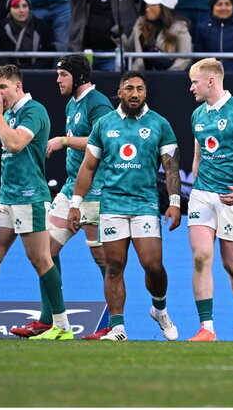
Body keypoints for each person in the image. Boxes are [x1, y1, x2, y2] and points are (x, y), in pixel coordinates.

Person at [0, 65, 73, 340]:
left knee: (41, 259)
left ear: (18, 86)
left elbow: (16, 144)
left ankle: (63, 326)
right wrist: (1, 115)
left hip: (29, 196)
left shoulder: (33, 111)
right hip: (7, 196)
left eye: (3, 87)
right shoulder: (9, 113)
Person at [68, 71, 183, 342]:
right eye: (129, 88)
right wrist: (76, 204)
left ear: (146, 93)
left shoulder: (159, 124)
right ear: (119, 93)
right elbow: (88, 167)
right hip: (112, 205)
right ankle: (118, 328)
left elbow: (172, 167)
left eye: (140, 89)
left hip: (144, 204)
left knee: (153, 265)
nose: (134, 93)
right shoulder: (105, 124)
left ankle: (159, 309)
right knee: (114, 266)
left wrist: (175, 202)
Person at [9, 55, 114, 339]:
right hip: (70, 189)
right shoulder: (72, 104)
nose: (57, 80)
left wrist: (64, 140)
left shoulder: (98, 103)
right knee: (46, 252)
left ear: (78, 76)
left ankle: (115, 325)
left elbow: (105, 142)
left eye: (63, 75)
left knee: (103, 260)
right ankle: (50, 321)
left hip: (95, 191)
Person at [179, 58, 233, 342]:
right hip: (202, 195)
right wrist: (194, 183)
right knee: (201, 257)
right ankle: (207, 328)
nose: (191, 87)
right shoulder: (196, 115)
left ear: (211, 80)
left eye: (194, 81)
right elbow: (198, 154)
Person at [130, 0, 192, 72]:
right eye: (147, 3)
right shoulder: (140, 23)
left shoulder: (180, 27)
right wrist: (119, 38)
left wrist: (167, 75)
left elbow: (184, 58)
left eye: (153, 4)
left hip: (165, 79)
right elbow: (129, 48)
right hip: (139, 78)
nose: (147, 6)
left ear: (164, 8)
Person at [0, 0, 55, 69]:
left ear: (29, 8)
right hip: (10, 75)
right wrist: (12, 71)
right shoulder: (2, 27)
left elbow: (48, 55)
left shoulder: (42, 26)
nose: (21, 10)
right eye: (16, 7)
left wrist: (32, 71)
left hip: (36, 73)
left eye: (24, 6)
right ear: (9, 10)